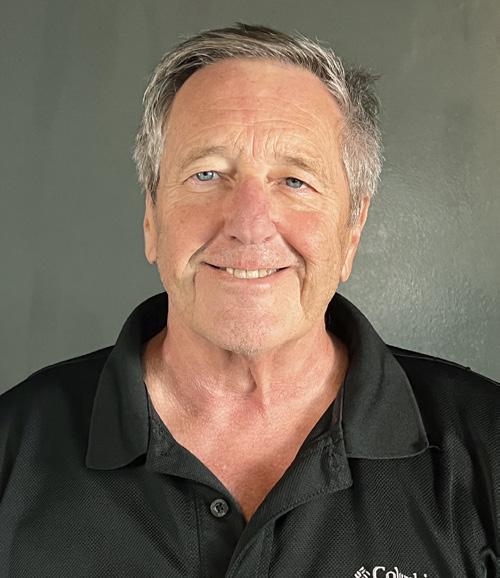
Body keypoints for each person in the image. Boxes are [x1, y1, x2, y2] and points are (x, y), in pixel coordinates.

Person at [0, 23, 498, 578]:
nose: (249, 224)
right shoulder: (14, 451)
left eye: (295, 181)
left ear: (353, 228)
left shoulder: (487, 446)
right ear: (151, 216)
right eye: (207, 174)